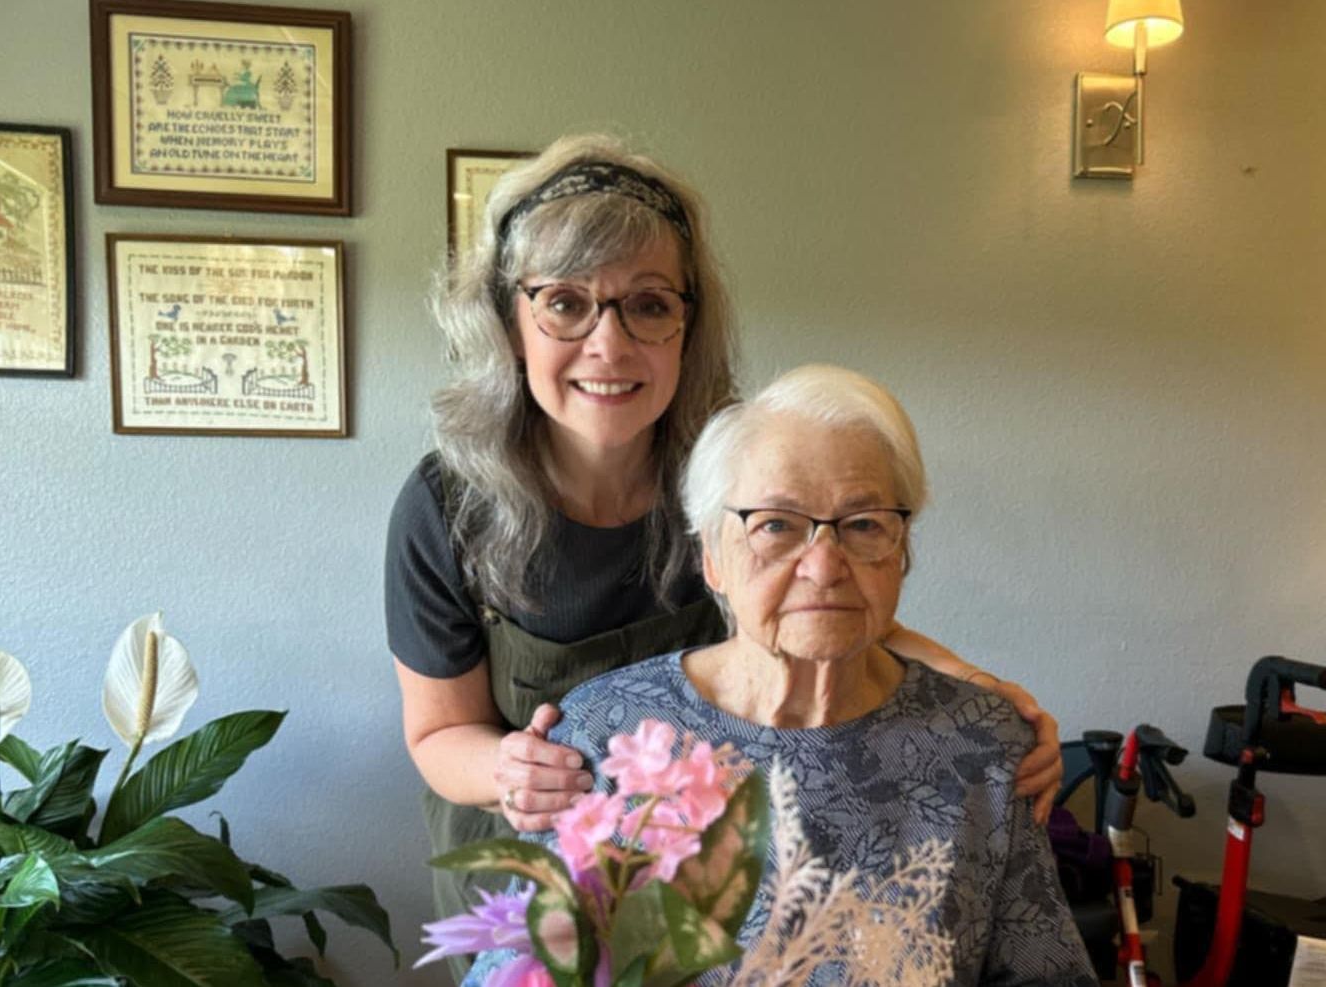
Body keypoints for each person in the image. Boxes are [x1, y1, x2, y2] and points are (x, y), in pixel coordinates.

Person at [385, 136, 1065, 978]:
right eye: (565, 303)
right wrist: (512, 769)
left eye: (649, 304)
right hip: (544, 837)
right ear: (510, 321)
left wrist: (980, 695)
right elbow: (438, 728)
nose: (609, 344)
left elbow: (818, 594)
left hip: (710, 840)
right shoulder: (449, 505)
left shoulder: (732, 464)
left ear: (688, 322)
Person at [463, 365, 1097, 987]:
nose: (823, 567)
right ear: (711, 557)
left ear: (901, 552)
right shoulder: (608, 733)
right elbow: (519, 967)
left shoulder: (980, 744)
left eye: (864, 525)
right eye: (775, 525)